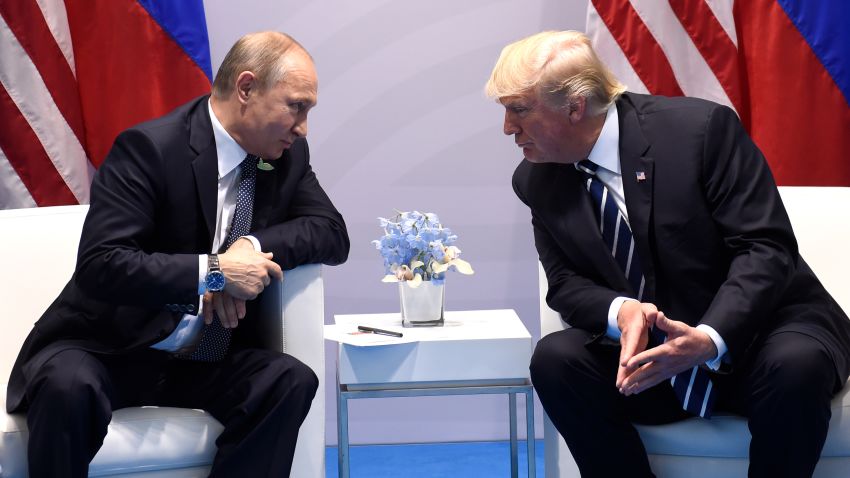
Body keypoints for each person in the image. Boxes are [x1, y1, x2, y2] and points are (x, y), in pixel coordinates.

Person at [486, 30, 850, 477]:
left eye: (519, 110)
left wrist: (710, 337)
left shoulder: (700, 132)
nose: (508, 127)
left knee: (796, 365)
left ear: (575, 106)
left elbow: (764, 248)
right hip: (653, 360)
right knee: (556, 360)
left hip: (757, 335)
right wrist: (621, 311)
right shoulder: (537, 179)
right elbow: (565, 284)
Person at [6, 31, 349, 477]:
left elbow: (331, 233)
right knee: (68, 385)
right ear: (246, 89)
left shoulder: (285, 156)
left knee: (287, 381)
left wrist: (251, 247)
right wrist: (215, 273)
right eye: (296, 106)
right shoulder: (151, 149)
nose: (303, 127)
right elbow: (102, 263)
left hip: (201, 360)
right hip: (110, 348)